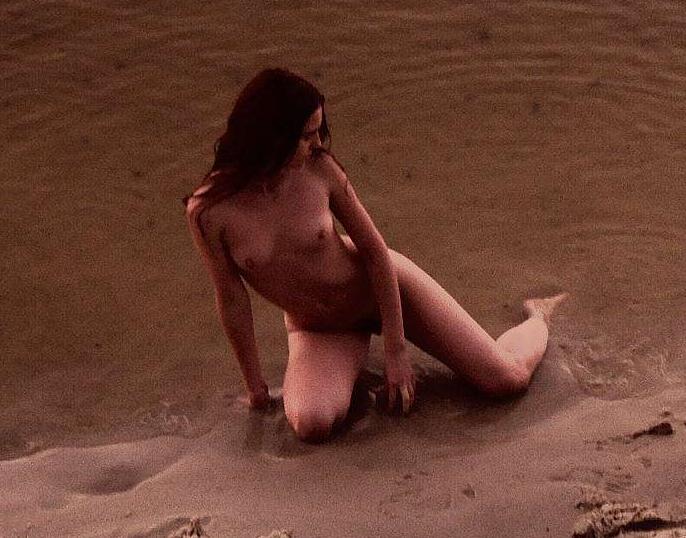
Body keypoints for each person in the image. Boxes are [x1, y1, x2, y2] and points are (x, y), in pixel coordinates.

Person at [184, 68, 565, 443]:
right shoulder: (208, 212)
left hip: (382, 289)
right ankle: (351, 363)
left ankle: (539, 315)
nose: (317, 144)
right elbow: (231, 298)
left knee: (506, 380)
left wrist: (396, 351)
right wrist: (255, 387)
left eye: (319, 131)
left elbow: (375, 252)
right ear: (270, 137)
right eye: (306, 136)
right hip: (319, 326)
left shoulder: (320, 171)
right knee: (312, 425)